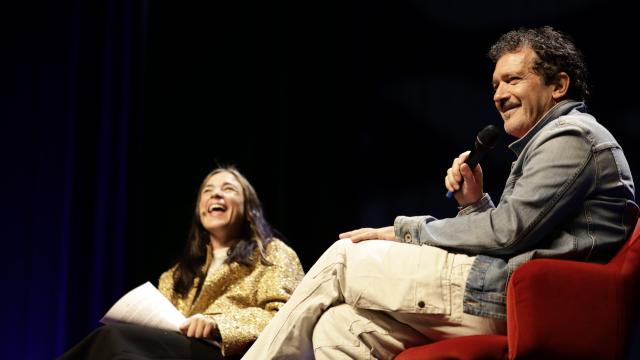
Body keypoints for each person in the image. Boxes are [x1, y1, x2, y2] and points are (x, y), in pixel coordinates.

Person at [241, 26, 639, 359]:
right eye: (495, 84)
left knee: (345, 258)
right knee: (342, 327)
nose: (498, 95)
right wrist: (475, 205)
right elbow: (518, 237)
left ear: (558, 86)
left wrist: (401, 231)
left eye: (513, 80)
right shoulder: (554, 142)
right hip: (506, 296)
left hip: (515, 302)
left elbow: (507, 234)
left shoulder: (571, 136)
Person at [59, 166, 305, 359]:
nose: (216, 193)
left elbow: (288, 318)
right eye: (207, 190)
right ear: (200, 210)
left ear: (249, 208)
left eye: (228, 188)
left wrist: (218, 325)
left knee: (113, 339)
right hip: (173, 351)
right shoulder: (176, 274)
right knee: (115, 349)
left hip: (229, 353)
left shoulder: (271, 254)